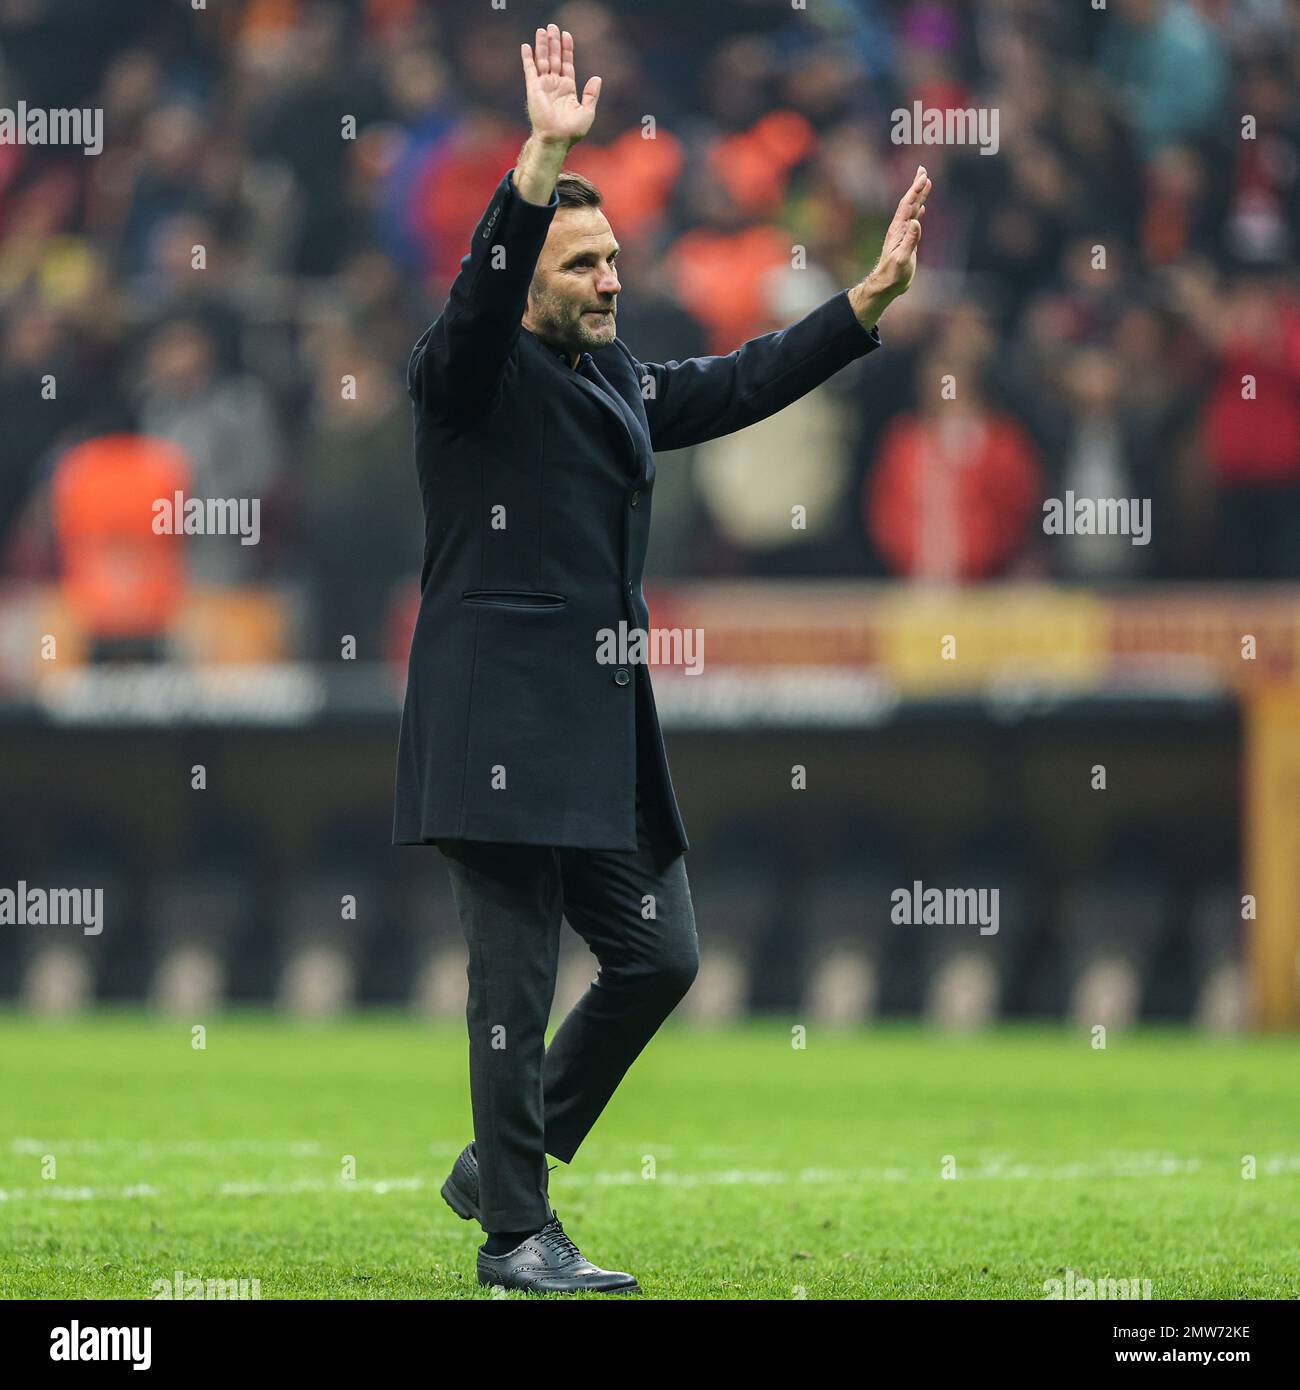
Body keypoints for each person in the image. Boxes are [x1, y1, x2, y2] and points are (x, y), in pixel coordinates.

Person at [392, 22, 929, 1294]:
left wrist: (858, 309)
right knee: (513, 983)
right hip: (499, 724)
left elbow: (730, 386)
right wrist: (540, 160)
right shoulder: (470, 374)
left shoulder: (615, 376)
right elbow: (477, 294)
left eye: (614, 260)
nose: (609, 280)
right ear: (528, 274)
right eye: (583, 264)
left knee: (662, 956)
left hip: (597, 727)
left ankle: (501, 1164)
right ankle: (515, 1236)